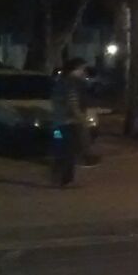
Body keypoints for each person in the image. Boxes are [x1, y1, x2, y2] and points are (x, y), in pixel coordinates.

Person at [51, 57, 88, 187]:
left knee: (60, 148)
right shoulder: (73, 83)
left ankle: (56, 177)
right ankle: (66, 180)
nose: (84, 72)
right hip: (69, 122)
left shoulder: (60, 82)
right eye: (82, 69)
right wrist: (81, 118)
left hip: (58, 122)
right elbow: (73, 102)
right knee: (70, 150)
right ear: (75, 69)